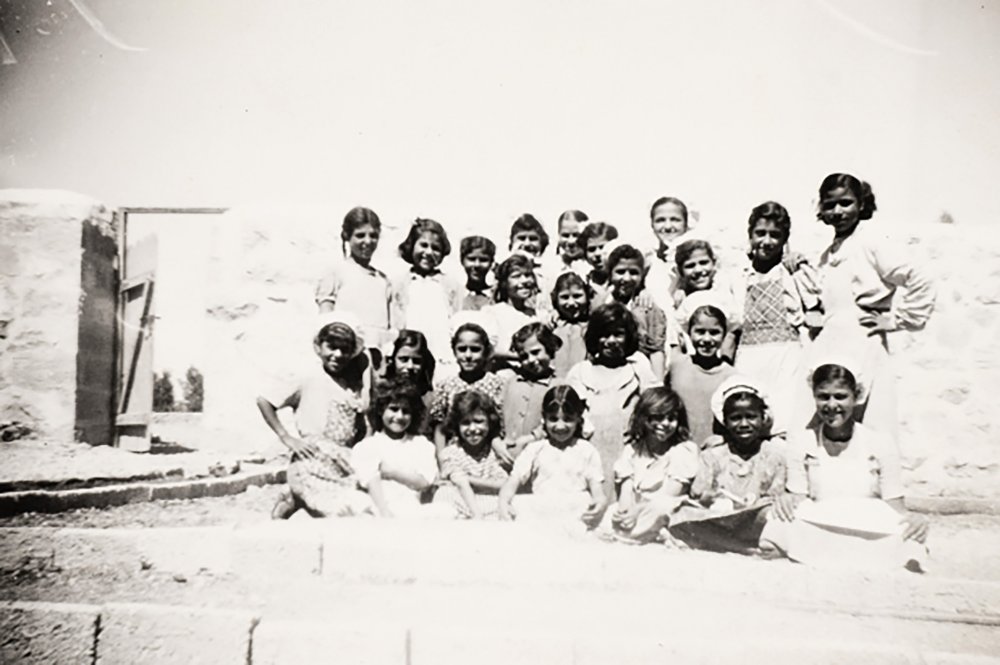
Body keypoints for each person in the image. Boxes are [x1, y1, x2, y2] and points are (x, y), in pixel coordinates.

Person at [806, 173, 935, 444]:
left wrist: (897, 319)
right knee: (831, 422)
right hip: (832, 344)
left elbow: (918, 275)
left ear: (861, 205)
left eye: (846, 203)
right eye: (830, 205)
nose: (838, 211)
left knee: (873, 424)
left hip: (863, 342)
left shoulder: (872, 242)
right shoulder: (829, 253)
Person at [772, 362, 929, 571]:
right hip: (821, 521)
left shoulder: (880, 442)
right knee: (777, 527)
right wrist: (787, 500)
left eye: (840, 396)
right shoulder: (802, 442)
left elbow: (894, 504)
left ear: (856, 397)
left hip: (867, 523)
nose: (831, 405)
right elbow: (799, 499)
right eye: (823, 396)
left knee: (909, 541)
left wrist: (913, 520)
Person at [256, 318, 371, 519]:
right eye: (332, 347)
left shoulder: (350, 387)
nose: (337, 355)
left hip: (343, 463)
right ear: (318, 347)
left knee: (366, 504)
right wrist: (286, 437)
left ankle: (293, 498)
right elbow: (265, 400)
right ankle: (294, 495)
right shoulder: (308, 377)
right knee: (342, 511)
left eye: (344, 350)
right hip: (312, 459)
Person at [669, 377, 787, 553]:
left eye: (751, 417)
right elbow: (699, 496)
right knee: (681, 515)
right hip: (719, 517)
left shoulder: (774, 455)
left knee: (772, 516)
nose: (744, 424)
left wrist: (752, 506)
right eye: (736, 418)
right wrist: (709, 498)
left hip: (753, 519)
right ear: (725, 421)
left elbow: (774, 499)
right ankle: (741, 546)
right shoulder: (712, 455)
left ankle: (723, 543)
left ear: (763, 418)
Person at [732, 201, 821, 435]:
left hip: (787, 356)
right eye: (760, 233)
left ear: (785, 239)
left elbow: (815, 306)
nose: (767, 241)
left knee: (786, 422)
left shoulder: (793, 271)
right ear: (750, 235)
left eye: (775, 235)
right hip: (748, 356)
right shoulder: (738, 275)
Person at [566, 302, 659, 498]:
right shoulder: (581, 372)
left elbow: (657, 404)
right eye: (604, 335)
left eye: (618, 334)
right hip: (591, 450)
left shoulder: (637, 369)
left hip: (628, 449)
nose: (611, 341)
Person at [497, 385, 606, 528]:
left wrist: (600, 502)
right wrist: (503, 502)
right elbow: (514, 480)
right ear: (544, 418)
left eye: (568, 419)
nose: (560, 426)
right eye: (553, 419)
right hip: (542, 512)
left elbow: (597, 490)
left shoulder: (586, 450)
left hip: (575, 513)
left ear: (579, 419)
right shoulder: (535, 449)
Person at [604, 387, 699, 544]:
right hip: (637, 509)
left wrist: (638, 512)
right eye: (658, 417)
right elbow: (626, 490)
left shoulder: (683, 451)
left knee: (662, 508)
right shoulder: (633, 450)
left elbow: (671, 494)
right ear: (644, 418)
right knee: (611, 513)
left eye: (672, 418)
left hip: (664, 508)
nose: (665, 424)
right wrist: (624, 511)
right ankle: (636, 533)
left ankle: (635, 534)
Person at [352, 380, 439, 518]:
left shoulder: (421, 444)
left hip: (410, 506)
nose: (399, 416)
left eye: (406, 412)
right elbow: (370, 480)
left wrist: (391, 472)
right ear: (381, 410)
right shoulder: (367, 446)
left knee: (445, 511)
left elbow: (424, 482)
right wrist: (384, 512)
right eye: (393, 409)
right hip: (376, 506)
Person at [315, 206, 393, 355]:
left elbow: (390, 327)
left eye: (373, 235)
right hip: (346, 354)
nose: (368, 241)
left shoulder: (383, 281)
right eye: (360, 235)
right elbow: (325, 321)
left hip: (377, 356)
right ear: (347, 236)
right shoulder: (336, 273)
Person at [427, 323, 507, 459]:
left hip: (490, 456)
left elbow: (500, 425)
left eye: (475, 349)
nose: (468, 355)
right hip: (455, 456)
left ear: (486, 352)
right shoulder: (446, 386)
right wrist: (442, 460)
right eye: (462, 349)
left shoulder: (498, 384)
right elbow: (440, 428)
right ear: (454, 351)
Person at [390, 218, 461, 367]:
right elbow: (395, 320)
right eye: (423, 245)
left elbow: (456, 318)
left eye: (435, 248)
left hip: (441, 352)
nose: (428, 252)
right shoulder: (399, 283)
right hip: (411, 354)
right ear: (411, 246)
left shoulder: (450, 285)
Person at [665, 306, 737, 447]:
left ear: (724, 335)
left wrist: (725, 438)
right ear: (689, 333)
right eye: (700, 332)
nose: (707, 339)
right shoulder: (677, 366)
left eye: (714, 333)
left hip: (713, 452)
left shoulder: (731, 376)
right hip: (678, 450)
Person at [432, 390, 510, 519]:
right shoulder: (450, 453)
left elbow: (505, 483)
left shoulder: (494, 452)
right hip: (462, 502)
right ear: (457, 426)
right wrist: (477, 515)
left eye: (478, 421)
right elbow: (461, 485)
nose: (473, 429)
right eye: (466, 423)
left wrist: (468, 479)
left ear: (490, 423)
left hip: (491, 503)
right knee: (444, 494)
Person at [496, 322, 566, 465]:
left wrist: (532, 438)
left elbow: (562, 420)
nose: (530, 360)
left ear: (549, 349)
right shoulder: (511, 383)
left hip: (544, 458)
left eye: (535, 352)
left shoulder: (558, 385)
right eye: (523, 356)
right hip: (507, 456)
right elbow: (495, 415)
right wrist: (496, 441)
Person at [604, 244, 668, 377]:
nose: (626, 279)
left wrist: (658, 386)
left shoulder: (647, 307)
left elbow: (656, 351)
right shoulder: (602, 304)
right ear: (610, 273)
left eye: (634, 273)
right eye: (620, 272)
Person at [673, 239, 740, 359]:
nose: (698, 270)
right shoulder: (679, 300)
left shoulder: (725, 294)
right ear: (680, 271)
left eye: (703, 263)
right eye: (690, 266)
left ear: (714, 263)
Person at [484, 254, 542, 359]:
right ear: (505, 283)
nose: (524, 281)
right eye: (516, 276)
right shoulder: (492, 313)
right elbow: (486, 349)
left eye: (528, 275)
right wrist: (519, 357)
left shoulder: (536, 315)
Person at [383, 329, 436, 432]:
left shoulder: (428, 399)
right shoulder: (383, 395)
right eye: (403, 359)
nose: (410, 366)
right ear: (392, 360)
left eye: (416, 361)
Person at [644, 196, 690, 313]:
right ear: (652, 225)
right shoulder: (648, 261)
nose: (668, 226)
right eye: (660, 220)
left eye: (675, 220)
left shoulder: (695, 260)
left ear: (686, 224)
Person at [548, 272, 592, 378]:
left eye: (577, 296)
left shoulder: (592, 325)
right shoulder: (551, 325)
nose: (571, 303)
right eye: (564, 297)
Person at [575, 222, 619, 302]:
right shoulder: (585, 281)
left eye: (602, 247)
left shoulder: (623, 280)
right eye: (591, 249)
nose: (597, 254)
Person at [458, 235, 496, 311]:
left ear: (491, 263)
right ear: (462, 260)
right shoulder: (457, 295)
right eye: (471, 259)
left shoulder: (496, 296)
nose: (477, 265)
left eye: (483, 260)